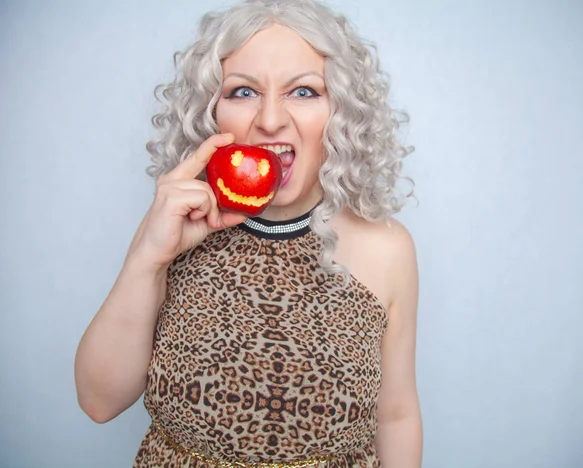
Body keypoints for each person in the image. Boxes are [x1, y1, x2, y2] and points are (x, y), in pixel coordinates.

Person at [74, 0, 422, 466]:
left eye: (303, 92)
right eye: (243, 92)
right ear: (212, 113)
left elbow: (395, 415)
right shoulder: (173, 227)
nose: (271, 120)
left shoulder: (387, 249)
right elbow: (99, 402)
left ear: (340, 112)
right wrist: (148, 260)